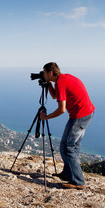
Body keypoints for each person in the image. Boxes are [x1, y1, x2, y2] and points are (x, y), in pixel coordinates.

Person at [40, 62, 95, 190]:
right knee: (72, 146)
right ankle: (68, 173)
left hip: (79, 117)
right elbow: (55, 96)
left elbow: (61, 109)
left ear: (50, 73)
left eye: (44, 72)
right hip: (87, 113)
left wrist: (46, 117)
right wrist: (48, 84)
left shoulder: (60, 83)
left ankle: (78, 181)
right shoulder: (64, 78)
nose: (42, 74)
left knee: (67, 148)